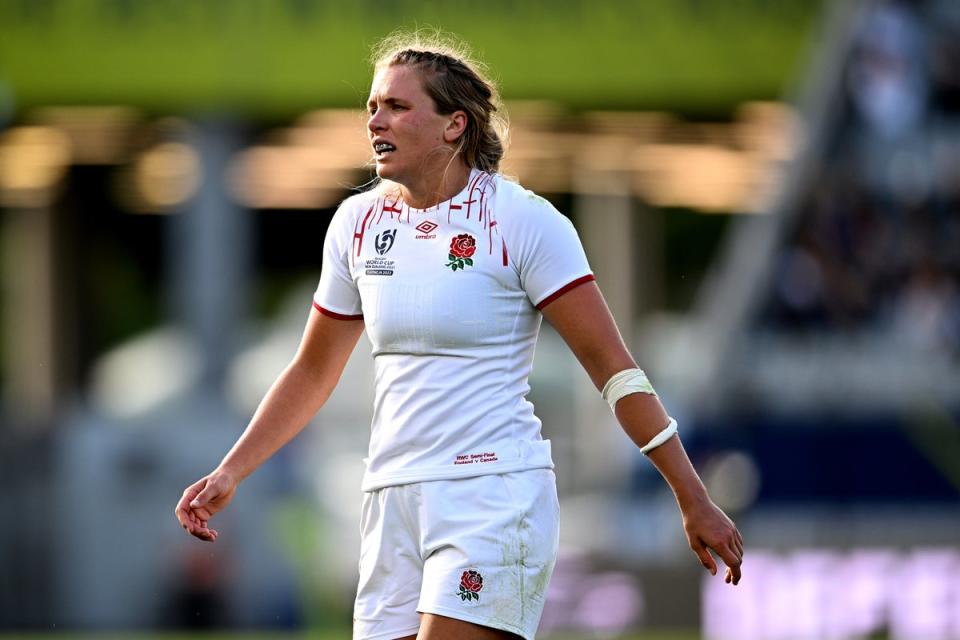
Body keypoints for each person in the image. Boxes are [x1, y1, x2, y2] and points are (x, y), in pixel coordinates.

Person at [175, 32, 743, 640]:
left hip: (491, 495)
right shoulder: (356, 225)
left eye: (397, 105)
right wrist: (232, 470)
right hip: (390, 497)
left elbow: (615, 371)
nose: (375, 118)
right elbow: (312, 371)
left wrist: (691, 495)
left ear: (454, 126)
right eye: (372, 106)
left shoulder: (524, 221)